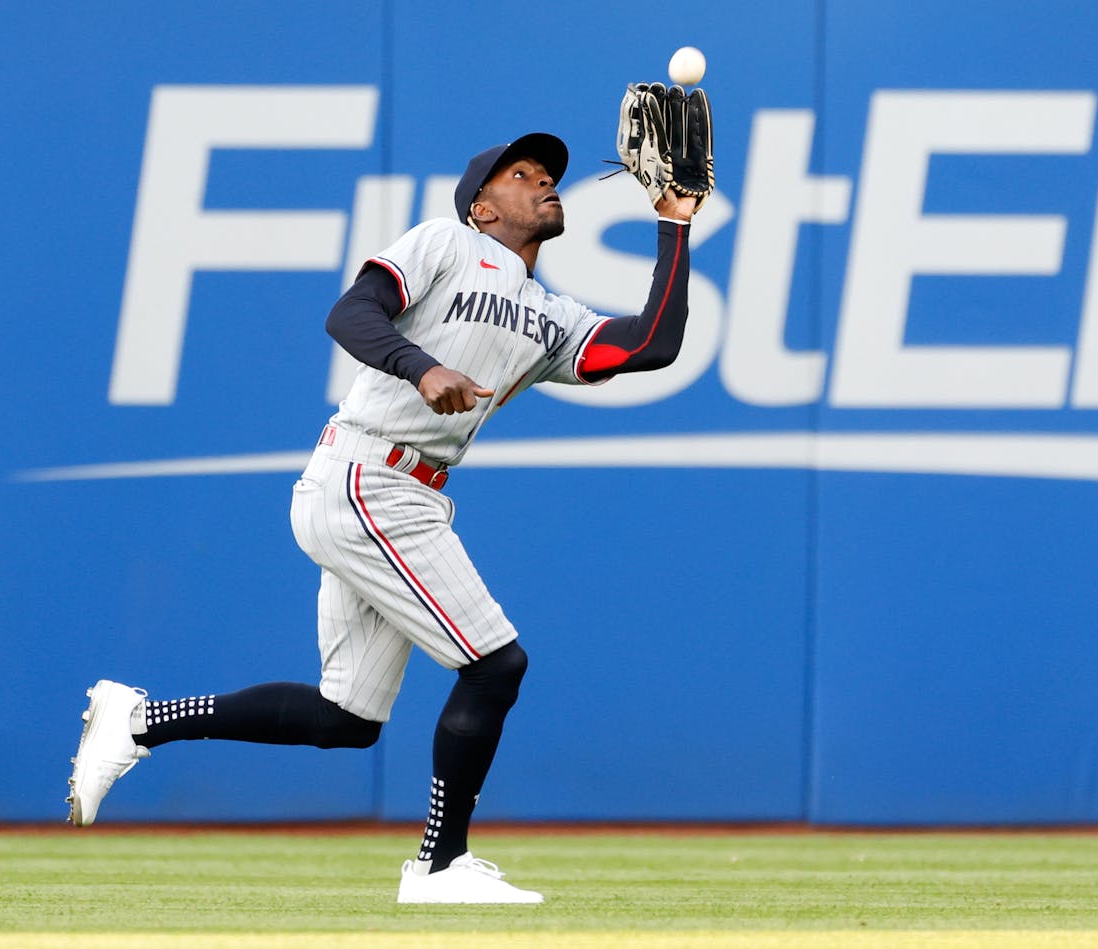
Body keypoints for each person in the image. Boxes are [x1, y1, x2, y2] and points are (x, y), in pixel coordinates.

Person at [67, 130, 702, 904]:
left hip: (402, 490)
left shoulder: (551, 315)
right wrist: (421, 364)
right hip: (369, 475)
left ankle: (137, 719)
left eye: (549, 176)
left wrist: (674, 222)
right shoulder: (446, 242)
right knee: (495, 662)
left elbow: (649, 345)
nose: (544, 183)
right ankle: (439, 864)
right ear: (482, 205)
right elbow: (351, 313)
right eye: (522, 173)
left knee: (346, 716)